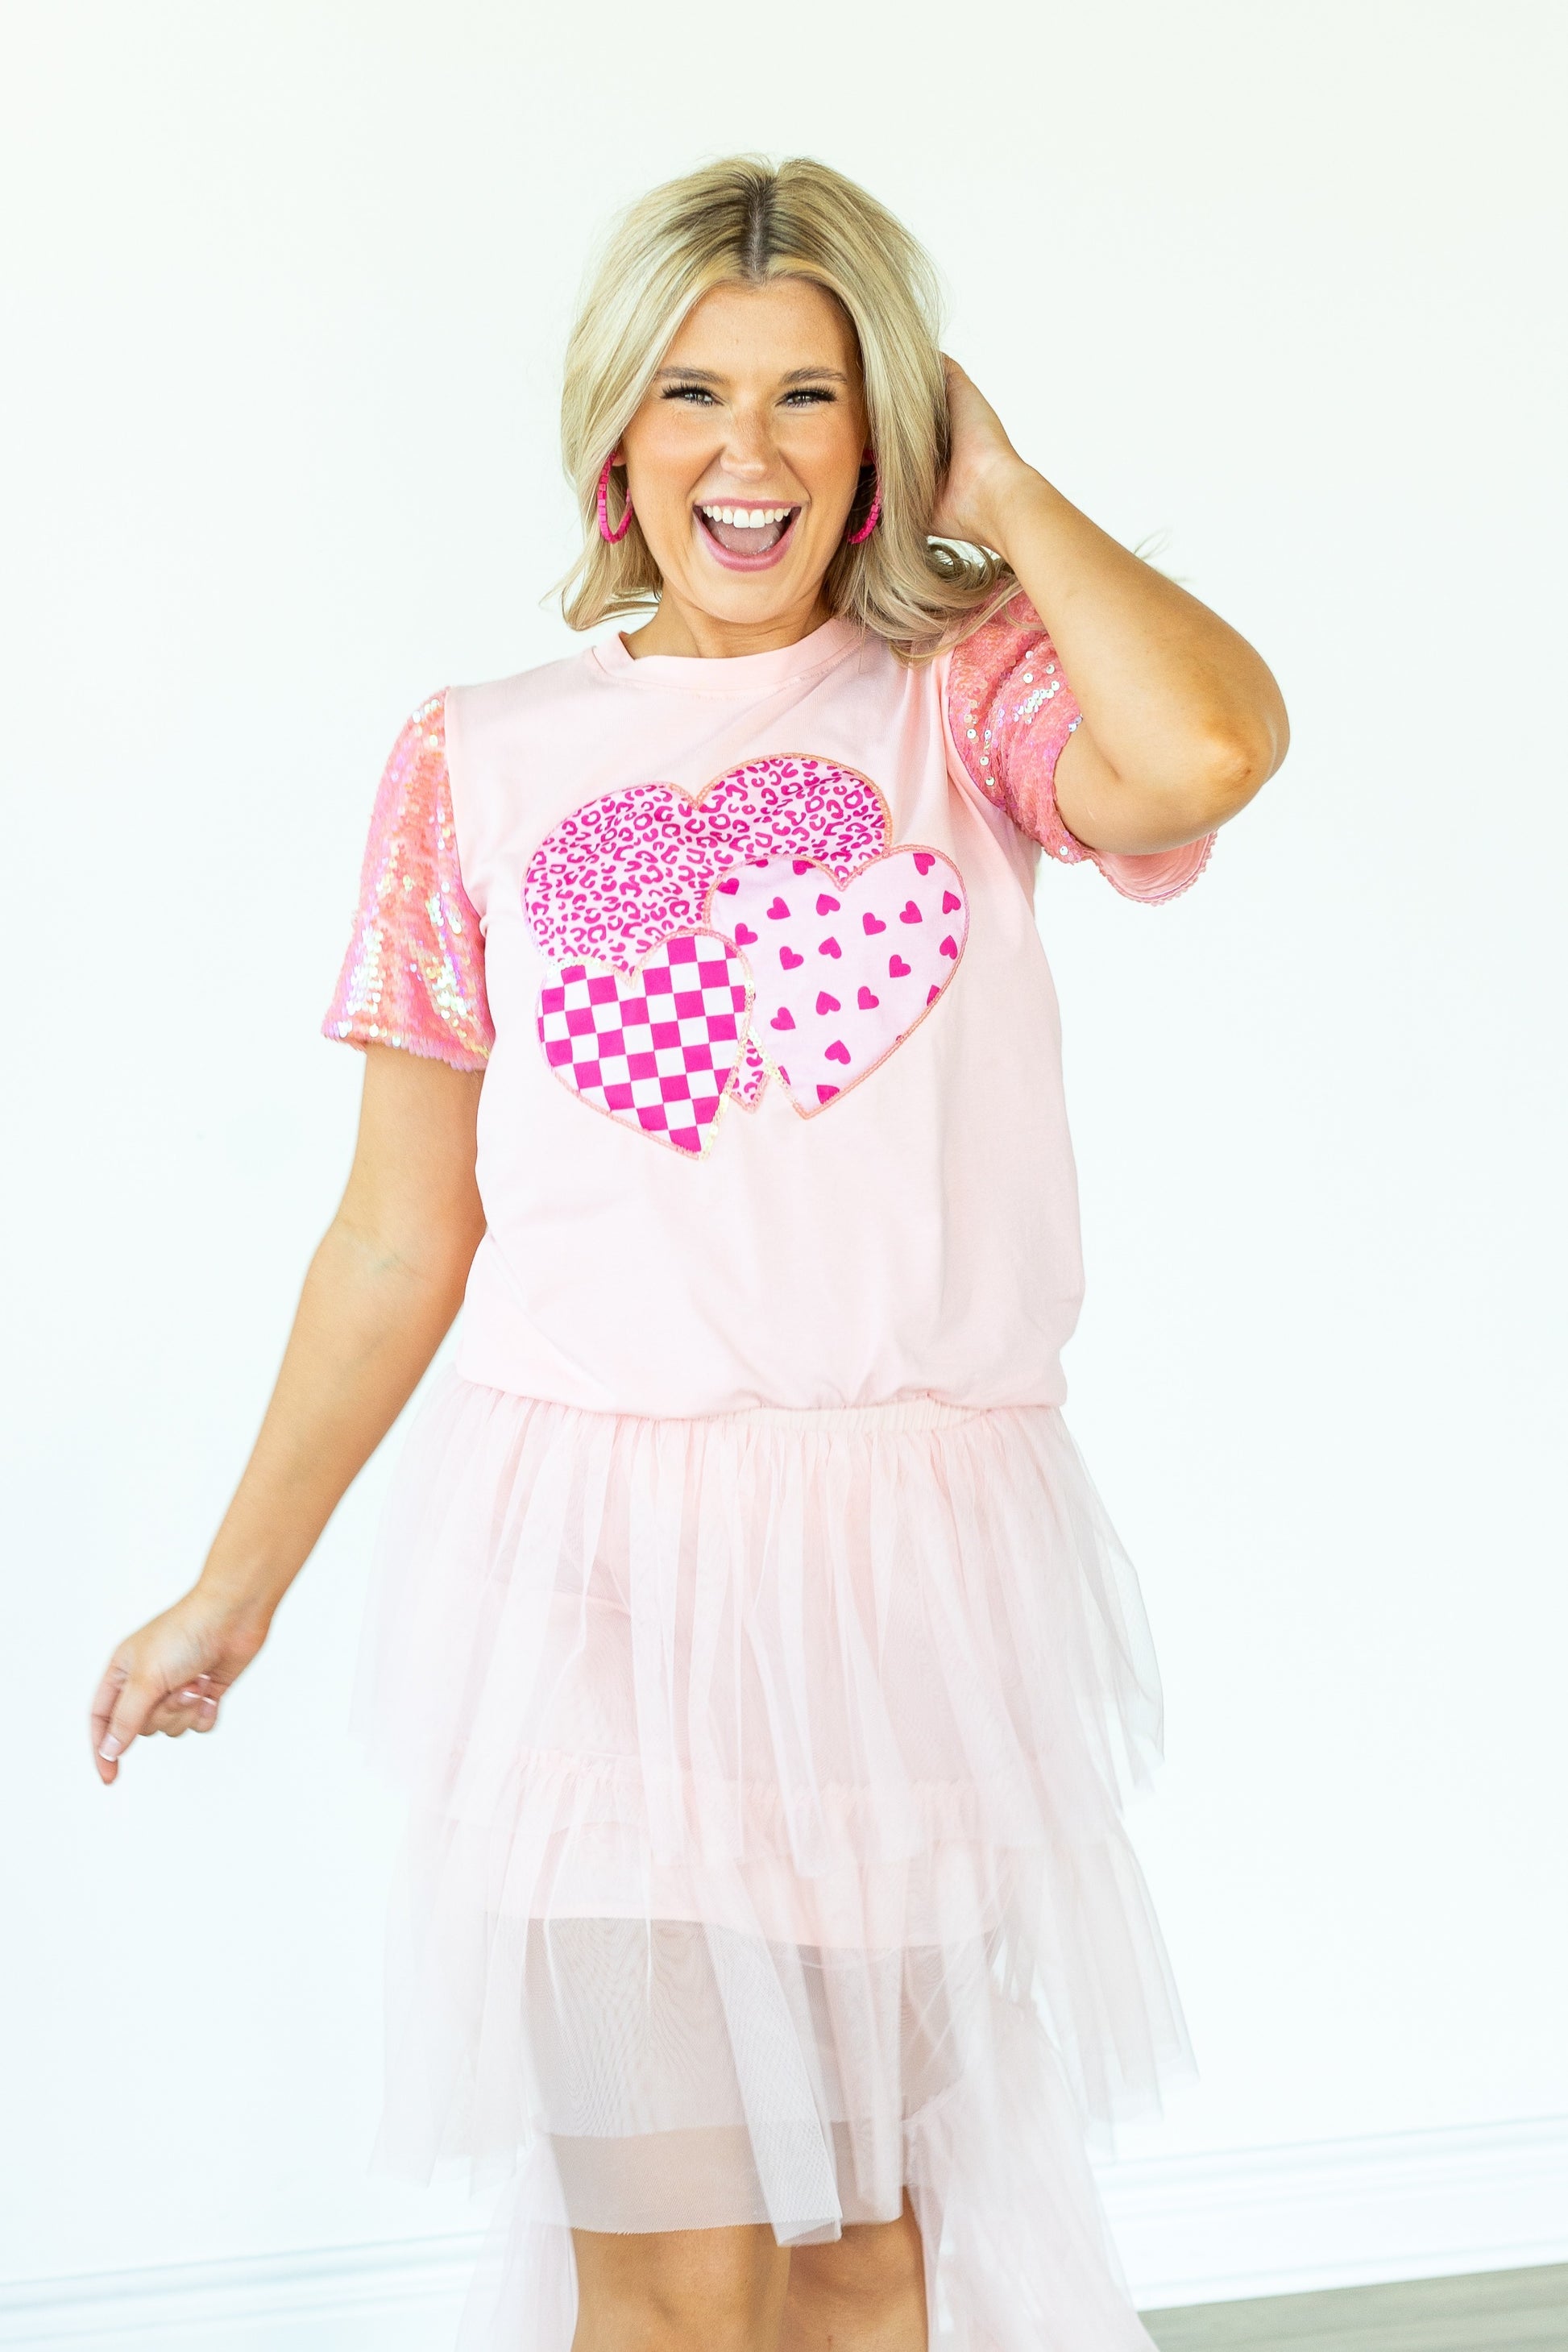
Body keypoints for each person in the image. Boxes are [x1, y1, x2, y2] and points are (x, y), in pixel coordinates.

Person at [89, 155, 1288, 2352]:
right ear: (614, 432)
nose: (753, 453)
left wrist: (1006, 497)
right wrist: (232, 1586)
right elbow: (397, 1231)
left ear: (886, 427)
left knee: (859, 2252)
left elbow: (1209, 746)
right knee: (666, 2271)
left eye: (813, 394)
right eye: (694, 393)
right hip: (604, 1580)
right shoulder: (477, 759)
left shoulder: (968, 706)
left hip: (910, 1570)